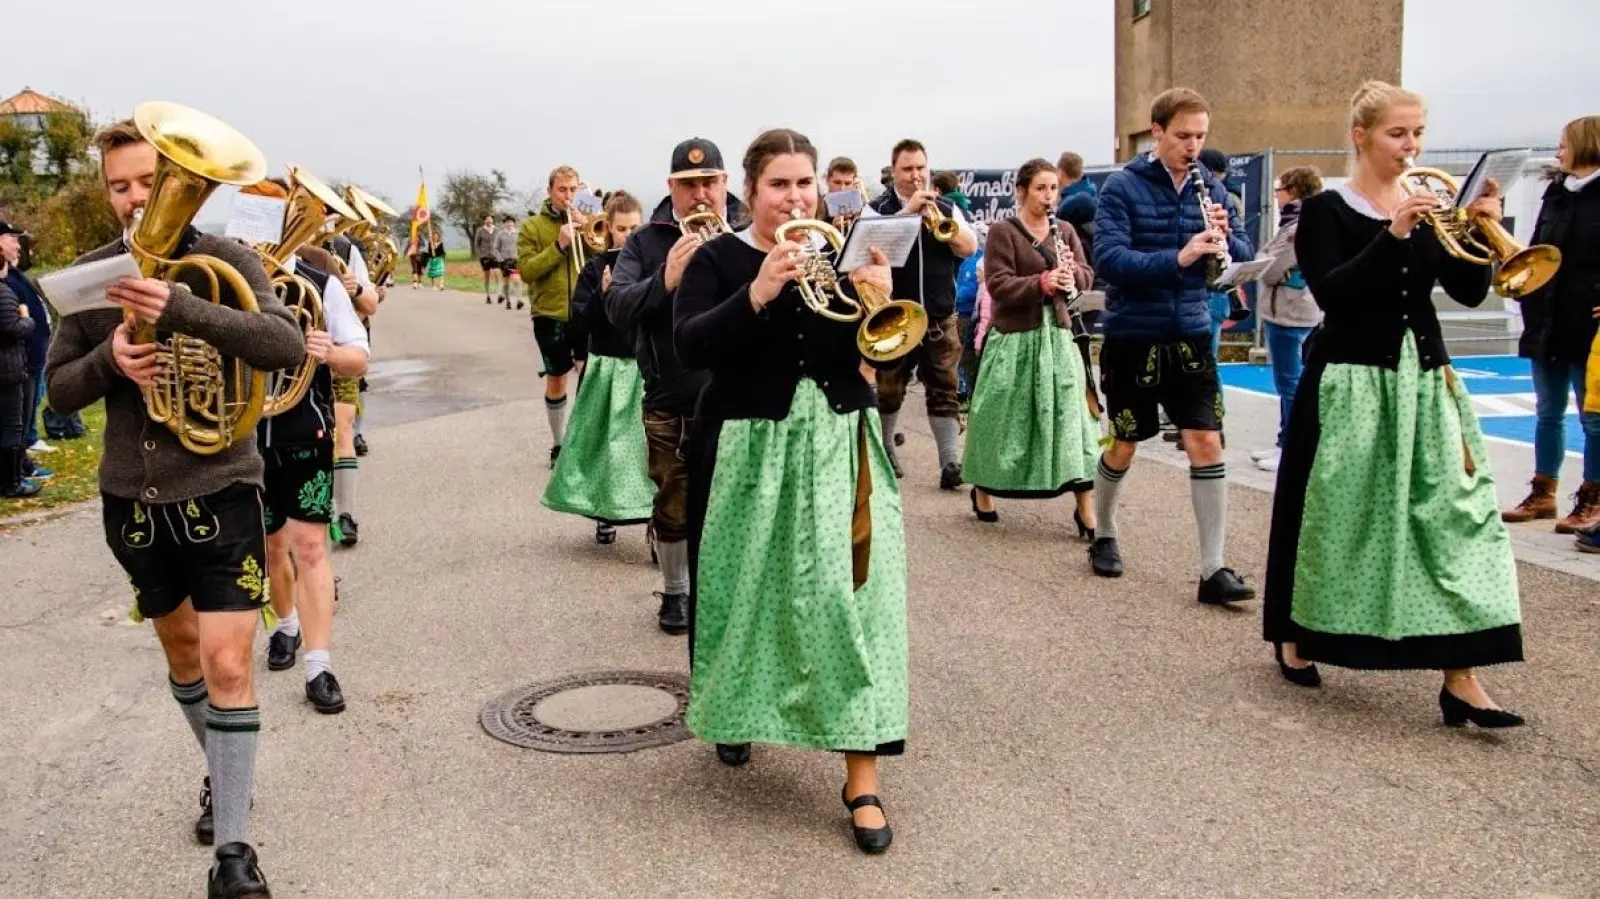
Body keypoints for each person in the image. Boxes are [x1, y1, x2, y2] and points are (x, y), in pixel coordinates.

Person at [46, 117, 306, 897]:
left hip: (223, 487)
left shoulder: (226, 260)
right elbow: (58, 390)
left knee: (228, 660)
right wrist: (111, 359)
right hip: (133, 500)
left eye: (147, 182)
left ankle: (234, 852)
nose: (135, 197)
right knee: (185, 655)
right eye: (119, 185)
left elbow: (285, 346)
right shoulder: (89, 278)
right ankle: (224, 772)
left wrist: (183, 310)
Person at [1262, 81, 1524, 728]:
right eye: (1397, 133)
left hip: (1425, 378)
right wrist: (1395, 236)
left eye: (1418, 133)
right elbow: (1334, 294)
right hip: (1351, 378)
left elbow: (1468, 291)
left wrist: (1481, 225)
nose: (1411, 146)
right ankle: (1296, 629)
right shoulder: (1326, 211)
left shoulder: (1431, 206)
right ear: (1362, 136)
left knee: (1453, 517)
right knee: (1336, 514)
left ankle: (1462, 675)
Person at [675, 127, 908, 854]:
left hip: (839, 445)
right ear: (750, 192)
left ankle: (862, 776)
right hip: (749, 449)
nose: (795, 197)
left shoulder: (840, 257)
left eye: (805, 183)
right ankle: (736, 709)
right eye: (779, 184)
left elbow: (870, 357)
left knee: (852, 599)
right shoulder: (717, 258)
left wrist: (875, 301)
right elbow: (690, 345)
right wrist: (758, 291)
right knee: (746, 593)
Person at [1090, 87, 1256, 604]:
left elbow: (1240, 250)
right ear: (1156, 132)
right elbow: (1109, 260)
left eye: (1201, 136)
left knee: (1205, 440)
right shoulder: (1122, 186)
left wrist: (1227, 239)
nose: (1193, 146)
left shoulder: (1211, 186)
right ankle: (1104, 530)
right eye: (1183, 135)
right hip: (1134, 334)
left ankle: (1213, 568)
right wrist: (1178, 257)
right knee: (1124, 443)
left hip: (1190, 332)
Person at [241, 180, 372, 718]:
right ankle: (287, 625)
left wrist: (330, 352)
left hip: (302, 430)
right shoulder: (228, 280)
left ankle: (319, 666)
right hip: (246, 436)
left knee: (311, 548)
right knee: (271, 547)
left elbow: (359, 357)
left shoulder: (319, 284)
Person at [606, 138, 746, 636]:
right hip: (672, 392)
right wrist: (665, 277)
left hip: (740, 391)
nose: (700, 193)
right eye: (689, 185)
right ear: (671, 187)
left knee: (738, 499)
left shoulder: (749, 231)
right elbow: (616, 306)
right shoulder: (646, 241)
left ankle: (731, 593)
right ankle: (675, 591)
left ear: (725, 182)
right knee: (673, 499)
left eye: (709, 182)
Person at [965, 158, 1100, 534]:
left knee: (1072, 419)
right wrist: (1041, 282)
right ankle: (983, 488)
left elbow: (1087, 276)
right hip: (1015, 338)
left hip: (1058, 336)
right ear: (1021, 191)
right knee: (1001, 418)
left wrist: (1072, 274)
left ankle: (1085, 506)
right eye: (1040, 188)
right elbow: (998, 284)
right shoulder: (1003, 231)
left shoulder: (1066, 230)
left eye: (1053, 188)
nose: (1048, 196)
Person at [1502, 115, 1600, 540]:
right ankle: (1544, 492)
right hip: (1546, 319)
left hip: (1587, 324)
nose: (1558, 152)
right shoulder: (1555, 194)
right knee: (1547, 411)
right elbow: (1537, 251)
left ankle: (1593, 497)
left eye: (1564, 144)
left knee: (1593, 417)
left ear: (1586, 145)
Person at [542, 191, 655, 544]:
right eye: (622, 229)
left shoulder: (653, 266)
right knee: (605, 444)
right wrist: (602, 295)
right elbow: (578, 323)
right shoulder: (595, 268)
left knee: (649, 446)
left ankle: (657, 520)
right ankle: (604, 511)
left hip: (643, 368)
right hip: (606, 366)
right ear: (609, 229)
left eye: (635, 228)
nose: (629, 235)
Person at [866, 139, 979, 487]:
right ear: (894, 171)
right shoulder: (877, 209)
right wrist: (907, 215)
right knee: (889, 388)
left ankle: (950, 462)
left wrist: (945, 227)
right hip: (893, 315)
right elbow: (869, 249)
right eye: (907, 169)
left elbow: (970, 246)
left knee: (944, 387)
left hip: (938, 315)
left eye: (920, 168)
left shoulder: (945, 206)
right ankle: (886, 447)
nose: (916, 175)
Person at [1252, 165, 1325, 473]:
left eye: (1279, 190)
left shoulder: (1299, 226)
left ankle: (1292, 449)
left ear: (1293, 191)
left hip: (1290, 313)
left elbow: (1268, 268)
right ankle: (1285, 442)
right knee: (1292, 383)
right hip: (1296, 309)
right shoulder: (1299, 221)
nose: (1277, 196)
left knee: (1290, 384)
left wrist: (1264, 264)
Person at [518, 165, 591, 466]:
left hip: (585, 311)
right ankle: (559, 444)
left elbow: (602, 259)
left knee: (589, 379)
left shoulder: (587, 222)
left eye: (573, 189)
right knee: (557, 379)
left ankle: (584, 443)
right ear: (550, 192)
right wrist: (559, 245)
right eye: (562, 189)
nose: (568, 195)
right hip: (549, 314)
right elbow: (527, 271)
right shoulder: (531, 227)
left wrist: (588, 233)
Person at [0, 223, 54, 463]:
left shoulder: (14, 274)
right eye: (12, 238)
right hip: (17, 360)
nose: (17, 245)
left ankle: (23, 462)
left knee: (25, 412)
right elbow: (10, 325)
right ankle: (18, 468)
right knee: (15, 421)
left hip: (30, 355)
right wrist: (27, 321)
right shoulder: (5, 284)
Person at [0, 262, 35, 498]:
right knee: (12, 425)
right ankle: (12, 482)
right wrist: (27, 318)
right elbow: (11, 328)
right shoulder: (3, 292)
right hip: (7, 368)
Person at [495, 214, 521, 310]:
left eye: (511, 222)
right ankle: (508, 301)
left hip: (515, 261)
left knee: (517, 281)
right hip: (504, 262)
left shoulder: (518, 233)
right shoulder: (500, 234)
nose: (509, 224)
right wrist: (501, 259)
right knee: (506, 282)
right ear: (504, 224)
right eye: (507, 222)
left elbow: (522, 246)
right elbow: (496, 248)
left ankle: (519, 301)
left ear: (514, 223)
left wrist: (520, 257)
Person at [475, 213, 500, 304]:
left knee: (497, 274)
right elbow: (477, 244)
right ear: (484, 220)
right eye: (487, 219)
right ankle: (488, 295)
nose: (489, 220)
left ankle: (500, 294)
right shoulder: (480, 230)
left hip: (495, 256)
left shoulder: (497, 230)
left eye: (491, 219)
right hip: (485, 257)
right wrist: (480, 255)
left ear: (492, 220)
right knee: (487, 277)